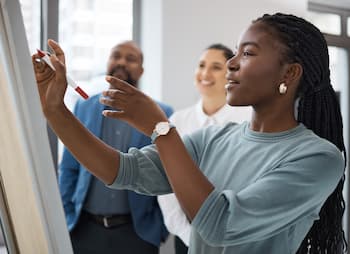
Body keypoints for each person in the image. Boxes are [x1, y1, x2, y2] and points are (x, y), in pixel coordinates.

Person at [32, 13, 347, 254]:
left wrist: (161, 130)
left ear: (289, 73)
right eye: (235, 53)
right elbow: (122, 171)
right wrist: (54, 110)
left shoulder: (319, 158)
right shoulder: (215, 138)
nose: (232, 64)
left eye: (248, 53)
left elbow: (219, 224)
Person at [57, 41, 171, 254]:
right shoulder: (84, 106)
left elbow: (170, 173)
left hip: (138, 234)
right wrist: (67, 214)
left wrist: (159, 229)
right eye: (116, 56)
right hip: (84, 231)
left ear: (142, 70)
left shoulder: (161, 113)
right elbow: (69, 167)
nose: (121, 62)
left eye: (130, 58)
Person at [157, 43, 251, 254]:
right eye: (201, 65)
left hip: (236, 239)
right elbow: (165, 182)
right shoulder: (177, 121)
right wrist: (188, 235)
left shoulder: (249, 121)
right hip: (187, 237)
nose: (205, 73)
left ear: (231, 73)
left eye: (216, 67)